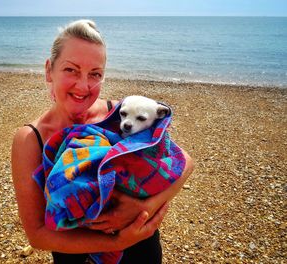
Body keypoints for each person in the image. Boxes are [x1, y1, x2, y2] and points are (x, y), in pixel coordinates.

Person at [11, 19, 194, 264]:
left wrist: (143, 206)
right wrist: (117, 242)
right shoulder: (30, 139)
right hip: (74, 256)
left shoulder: (119, 114)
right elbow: (38, 234)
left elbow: (184, 162)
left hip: (142, 250)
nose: (84, 85)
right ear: (49, 70)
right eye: (71, 70)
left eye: (94, 74)